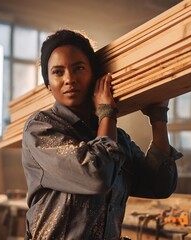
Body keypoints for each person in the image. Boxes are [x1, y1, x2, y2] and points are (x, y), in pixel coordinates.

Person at [21, 29, 182, 240]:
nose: (69, 79)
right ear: (48, 84)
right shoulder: (41, 129)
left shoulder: (117, 138)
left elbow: (159, 185)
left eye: (78, 68)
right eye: (58, 72)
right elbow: (97, 176)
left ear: (94, 76)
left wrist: (158, 117)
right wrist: (107, 112)